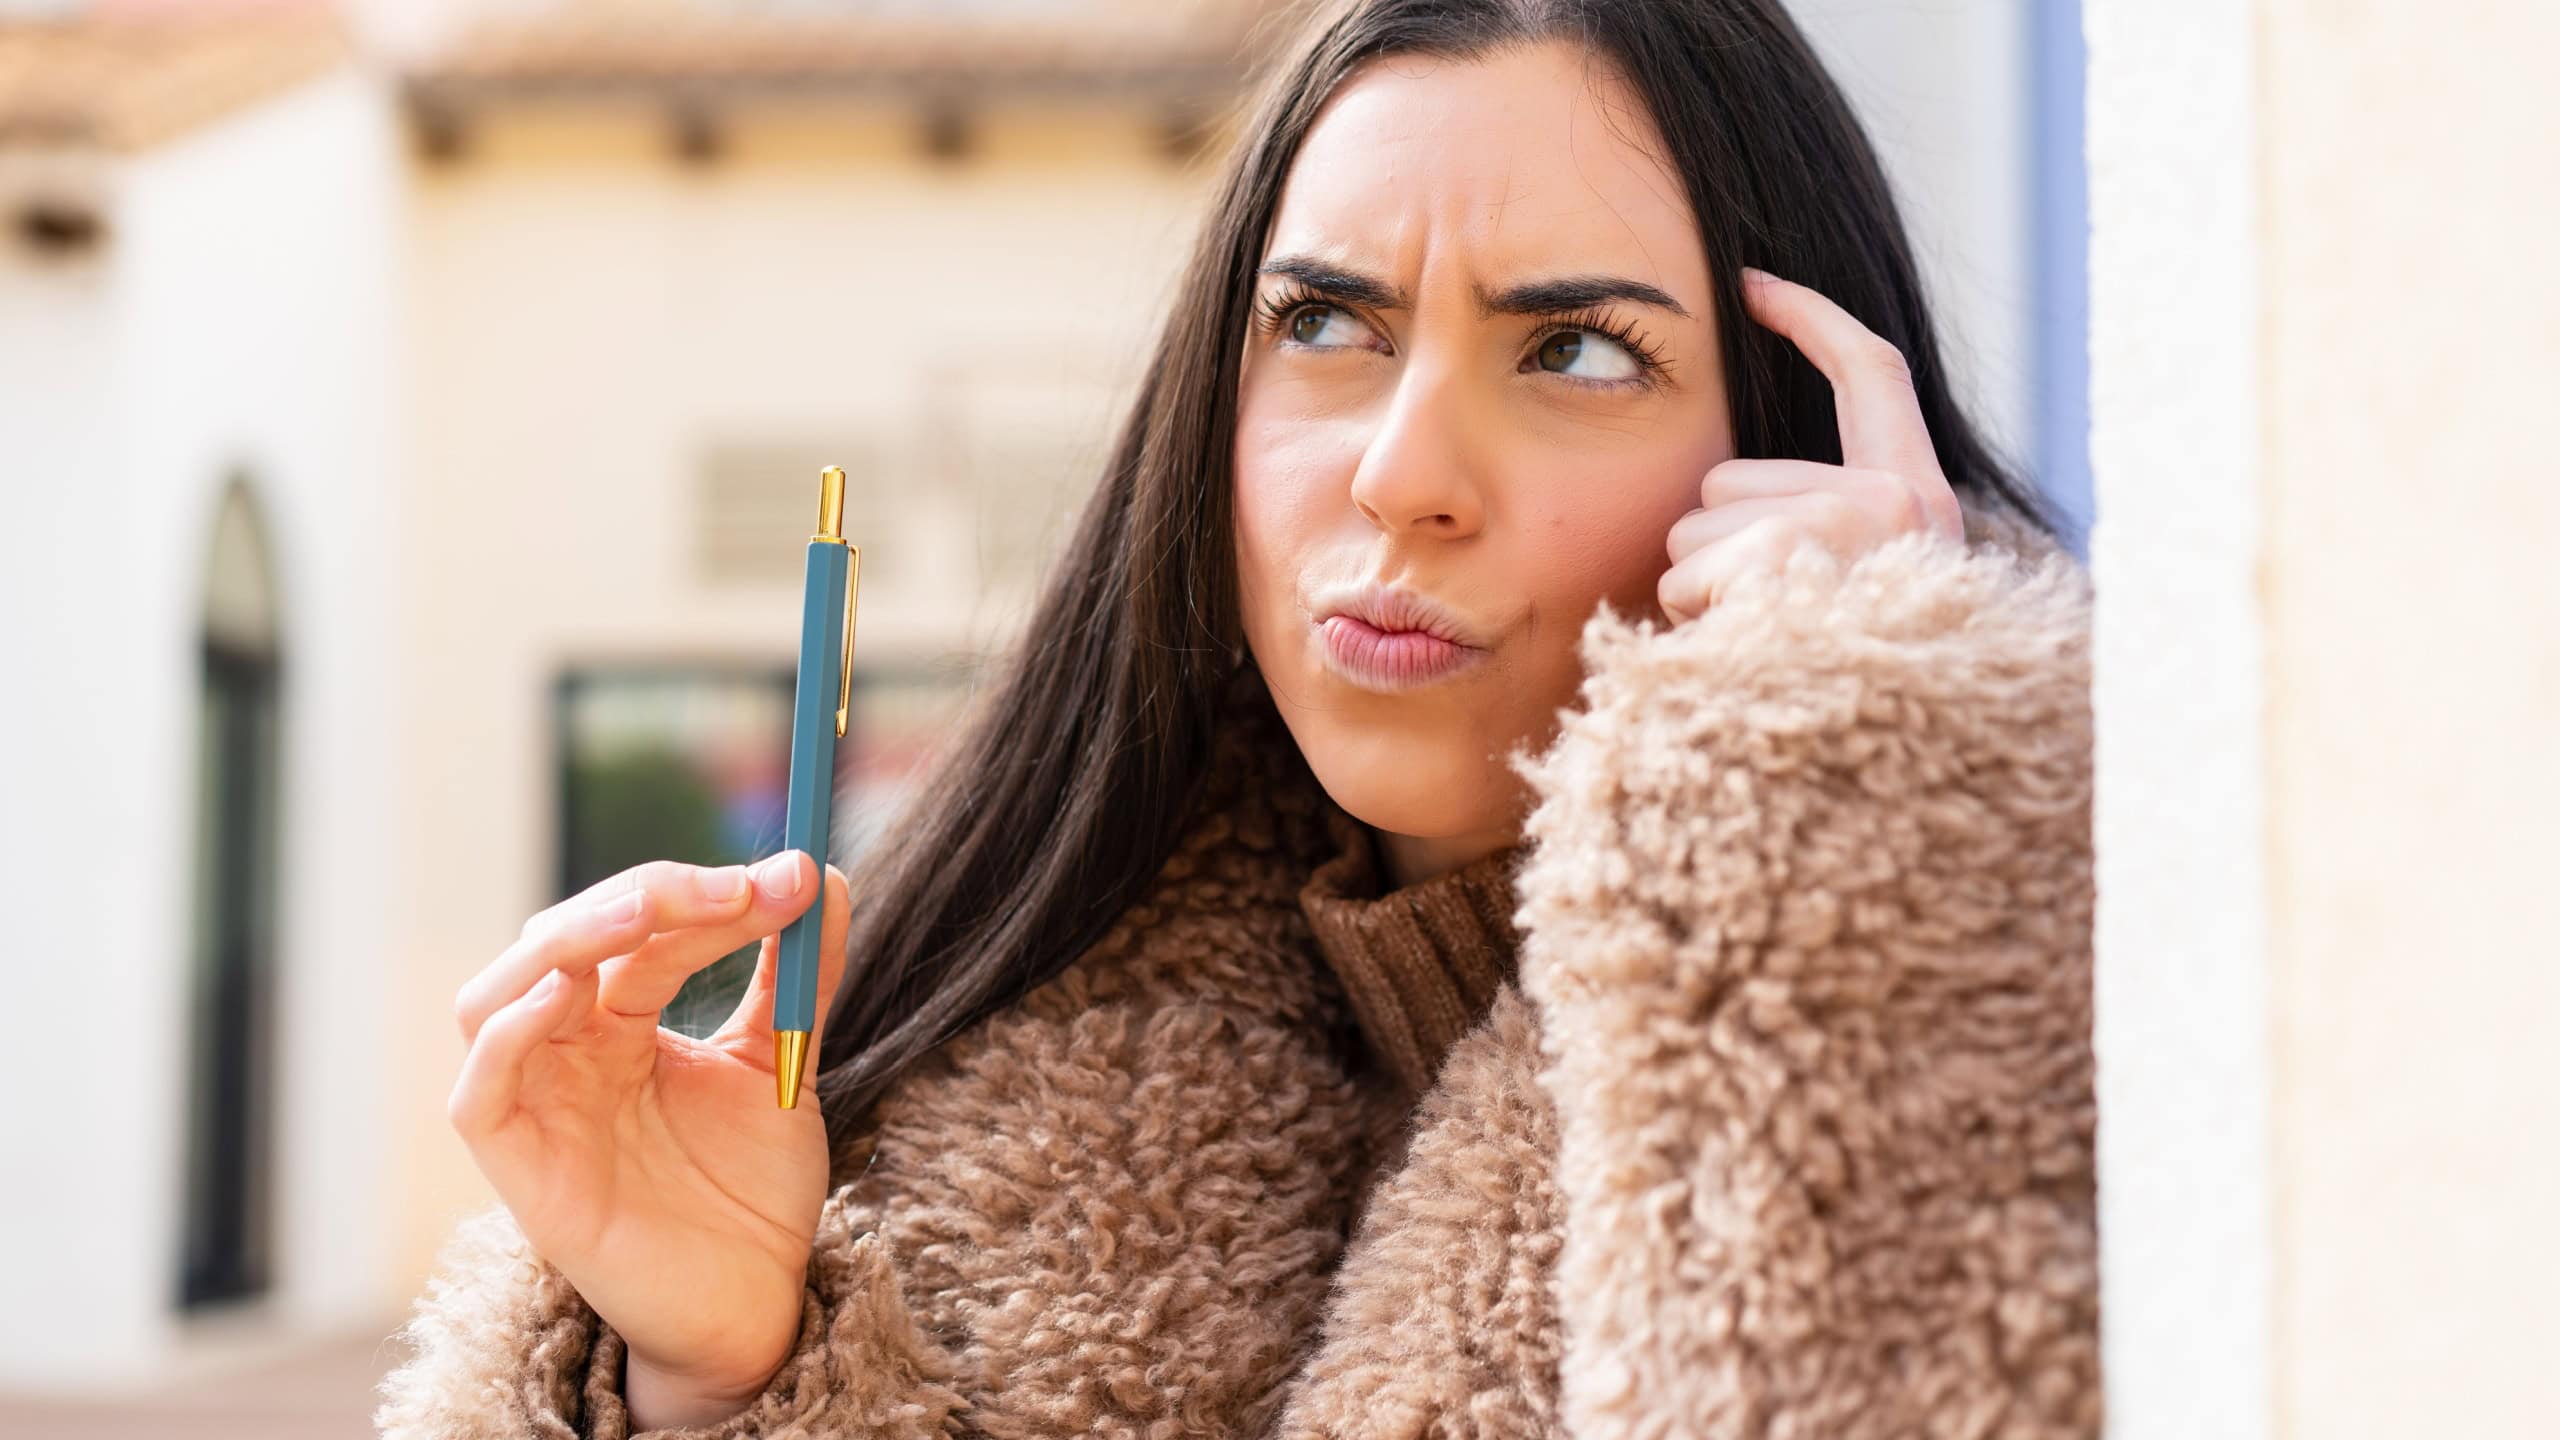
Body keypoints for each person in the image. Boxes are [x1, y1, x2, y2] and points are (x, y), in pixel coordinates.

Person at [375, 1, 2097, 1435]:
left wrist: (1879, 774)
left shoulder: (2115, 985)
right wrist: (715, 1371)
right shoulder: (951, 1084)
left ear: (1792, 436)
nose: (1403, 472)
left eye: (1574, 351)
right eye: (1328, 322)